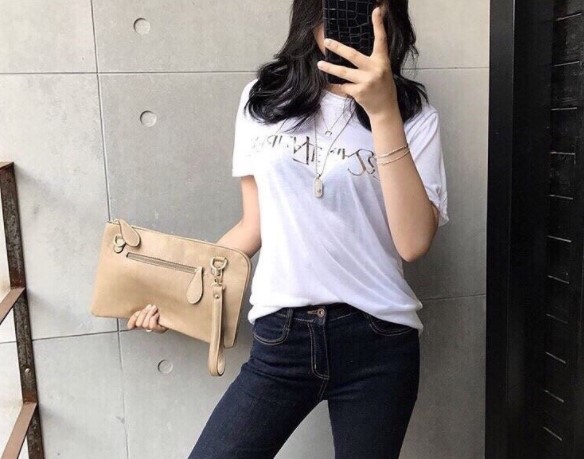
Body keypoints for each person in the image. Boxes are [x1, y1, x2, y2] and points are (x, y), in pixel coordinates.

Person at [129, 1, 449, 457]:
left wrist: (383, 113)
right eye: (337, 5)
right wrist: (178, 296)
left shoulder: (414, 114)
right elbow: (253, 225)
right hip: (282, 337)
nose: (348, 20)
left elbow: (413, 242)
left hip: (378, 341)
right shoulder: (264, 100)